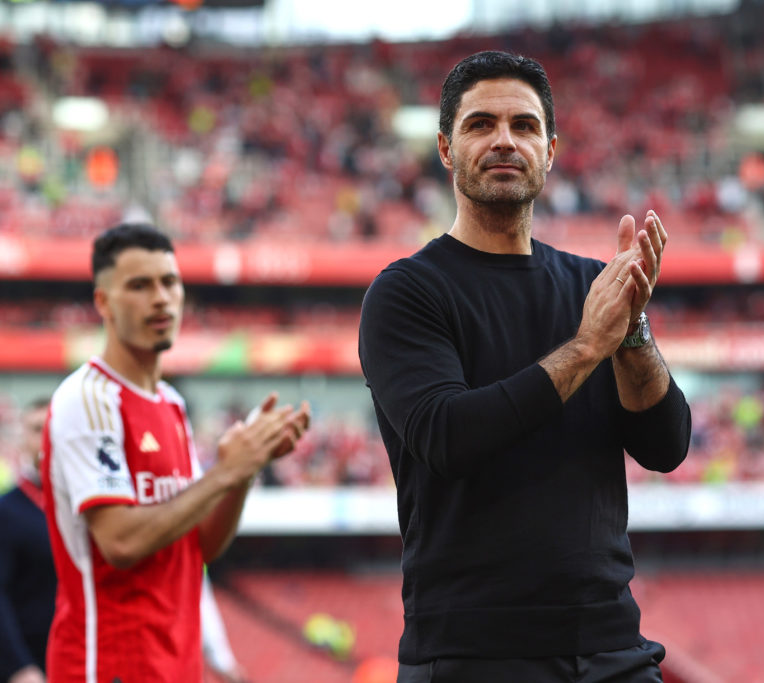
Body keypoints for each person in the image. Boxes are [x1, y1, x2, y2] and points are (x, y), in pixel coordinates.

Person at [358, 51, 691, 682]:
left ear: (551, 148)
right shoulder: (406, 292)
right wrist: (589, 345)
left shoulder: (593, 285)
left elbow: (666, 446)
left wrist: (633, 331)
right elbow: (448, 436)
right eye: (481, 124)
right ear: (446, 149)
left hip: (612, 646)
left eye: (525, 126)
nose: (504, 140)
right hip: (472, 653)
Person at [41, 223, 310, 683]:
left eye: (169, 282)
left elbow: (199, 546)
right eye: (139, 285)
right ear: (102, 302)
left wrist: (244, 472)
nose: (161, 298)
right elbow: (121, 543)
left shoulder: (170, 404)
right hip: (108, 665)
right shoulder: (88, 399)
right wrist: (225, 472)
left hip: (176, 664)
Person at [0, 399, 54, 683]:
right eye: (37, 429)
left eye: (55, 430)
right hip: (30, 666)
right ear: (22, 438)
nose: (47, 439)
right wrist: (18, 667)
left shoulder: (88, 509)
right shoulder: (7, 511)